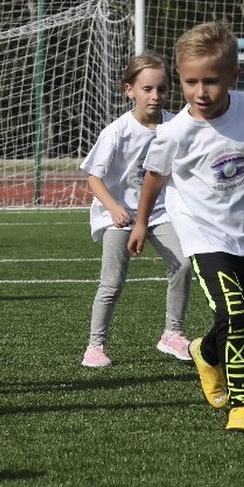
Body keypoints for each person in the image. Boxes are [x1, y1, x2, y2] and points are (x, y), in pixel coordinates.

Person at [127, 22, 244, 433]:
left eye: (211, 81)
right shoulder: (174, 132)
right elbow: (154, 176)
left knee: (239, 320)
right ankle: (242, 403)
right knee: (235, 311)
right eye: (191, 82)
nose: (201, 92)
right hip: (202, 232)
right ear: (180, 79)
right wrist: (140, 222)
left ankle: (205, 354)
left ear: (233, 77)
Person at [80, 53, 192, 368]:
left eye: (162, 89)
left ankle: (173, 333)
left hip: (159, 214)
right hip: (119, 215)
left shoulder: (177, 123)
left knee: (183, 265)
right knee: (112, 282)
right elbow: (94, 177)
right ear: (129, 90)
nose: (155, 96)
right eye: (147, 89)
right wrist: (114, 208)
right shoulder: (117, 131)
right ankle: (95, 346)